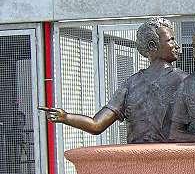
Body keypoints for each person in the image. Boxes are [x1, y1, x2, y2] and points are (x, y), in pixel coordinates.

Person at [41, 17, 187, 143]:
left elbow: (96, 125)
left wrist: (66, 117)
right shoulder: (184, 81)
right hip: (172, 162)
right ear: (152, 46)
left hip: (136, 162)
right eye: (171, 40)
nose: (176, 45)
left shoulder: (131, 83)